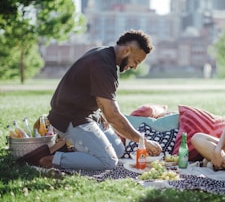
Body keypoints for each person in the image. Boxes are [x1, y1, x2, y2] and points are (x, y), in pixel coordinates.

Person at [38, 29, 162, 170]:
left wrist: (101, 113)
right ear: (127, 50)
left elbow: (95, 96)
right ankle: (53, 159)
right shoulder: (102, 65)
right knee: (108, 162)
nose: (135, 67)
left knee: (119, 150)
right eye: (136, 61)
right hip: (71, 119)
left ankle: (81, 151)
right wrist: (143, 141)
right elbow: (113, 116)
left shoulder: (105, 55)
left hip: (88, 116)